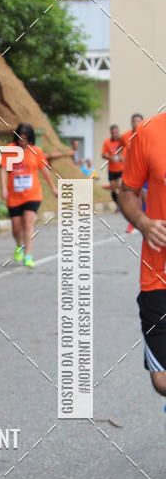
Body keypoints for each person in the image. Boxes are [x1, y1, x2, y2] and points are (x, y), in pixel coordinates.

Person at [118, 115, 166, 394]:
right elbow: (127, 192)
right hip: (158, 273)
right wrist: (145, 223)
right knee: (161, 380)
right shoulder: (148, 132)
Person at [0, 122, 58, 268]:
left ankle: (28, 256)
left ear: (30, 138)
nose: (22, 141)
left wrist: (53, 188)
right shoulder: (10, 149)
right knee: (16, 228)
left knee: (28, 223)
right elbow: (2, 169)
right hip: (14, 195)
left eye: (25, 138)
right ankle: (20, 245)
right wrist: (3, 188)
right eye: (20, 138)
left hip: (33, 194)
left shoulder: (36, 151)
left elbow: (44, 170)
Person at [102, 124, 125, 206]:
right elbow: (103, 155)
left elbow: (127, 150)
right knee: (112, 187)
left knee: (119, 185)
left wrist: (122, 157)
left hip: (121, 168)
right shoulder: (107, 142)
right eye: (113, 132)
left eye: (116, 132)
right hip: (111, 169)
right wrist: (111, 158)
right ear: (111, 133)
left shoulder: (122, 141)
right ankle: (117, 203)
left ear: (118, 131)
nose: (114, 134)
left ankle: (121, 203)